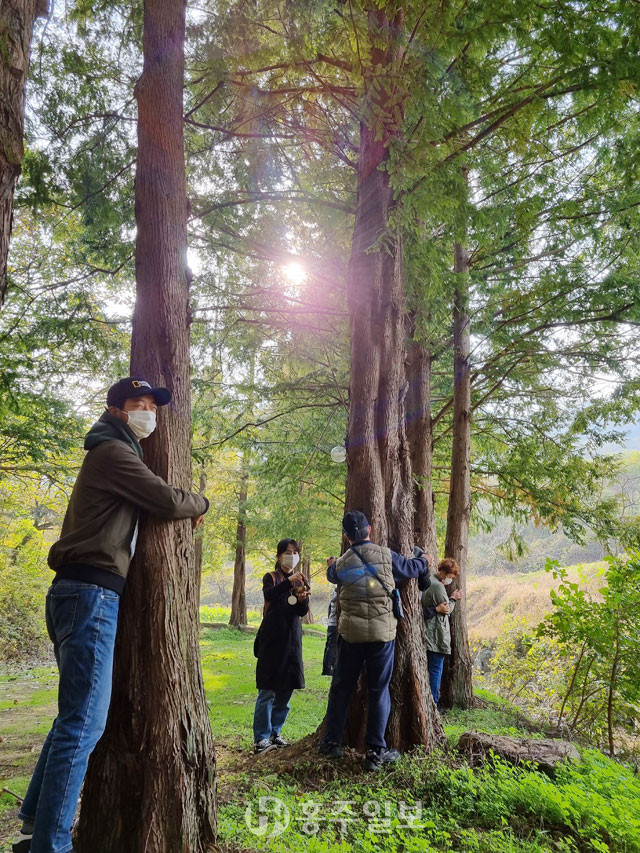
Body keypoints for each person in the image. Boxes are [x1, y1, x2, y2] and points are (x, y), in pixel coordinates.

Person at [12, 377, 209, 853]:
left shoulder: (114, 451)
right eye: (139, 404)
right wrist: (202, 502)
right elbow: (165, 499)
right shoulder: (113, 453)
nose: (149, 414)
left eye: (153, 407)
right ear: (117, 411)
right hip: (91, 594)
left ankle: (36, 821)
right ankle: (50, 845)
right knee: (83, 723)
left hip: (79, 592)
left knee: (73, 717)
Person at [317, 510, 431, 772]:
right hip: (382, 635)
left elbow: (331, 575)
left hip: (351, 635)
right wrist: (424, 560)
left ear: (346, 536)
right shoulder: (386, 555)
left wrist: (332, 563)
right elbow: (411, 569)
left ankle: (331, 742)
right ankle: (375, 751)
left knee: (341, 688)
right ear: (370, 529)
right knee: (379, 690)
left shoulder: (342, 563)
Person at [253, 538, 310, 755]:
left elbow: (302, 611)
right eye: (287, 552)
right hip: (272, 639)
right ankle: (261, 738)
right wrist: (289, 582)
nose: (291, 556)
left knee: (286, 690)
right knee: (267, 690)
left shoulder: (301, 580)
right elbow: (269, 594)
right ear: (278, 556)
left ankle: (275, 733)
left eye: (295, 552)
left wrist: (302, 598)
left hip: (292, 640)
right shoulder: (271, 577)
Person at [421, 557, 463, 707]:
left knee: (432, 669)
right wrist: (454, 598)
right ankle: (434, 704)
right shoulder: (437, 586)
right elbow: (446, 609)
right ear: (444, 572)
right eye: (450, 576)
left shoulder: (430, 581)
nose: (451, 579)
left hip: (430, 633)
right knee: (435, 670)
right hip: (436, 635)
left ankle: (431, 702)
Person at [321, 586, 338, 676]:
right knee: (332, 646)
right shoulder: (338, 594)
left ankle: (327, 668)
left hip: (332, 623)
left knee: (329, 645)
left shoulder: (335, 593)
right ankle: (328, 669)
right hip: (335, 623)